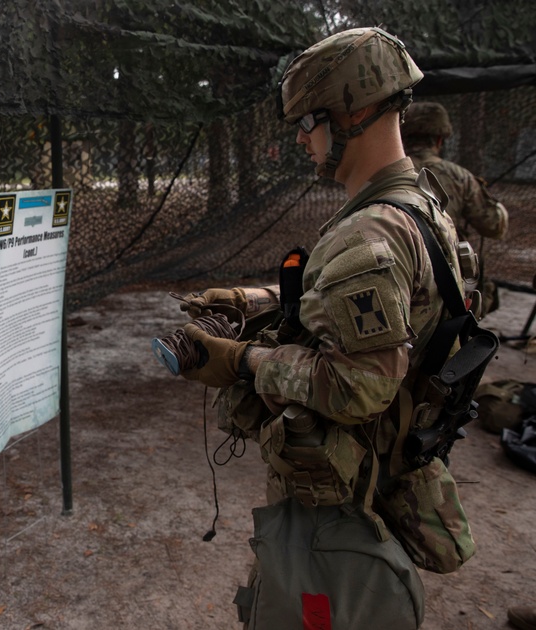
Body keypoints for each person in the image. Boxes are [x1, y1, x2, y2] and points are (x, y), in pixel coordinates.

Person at [156, 27, 478, 629]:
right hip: (385, 472)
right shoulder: (419, 205)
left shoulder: (368, 234)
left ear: (353, 113)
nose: (302, 137)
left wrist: (244, 360)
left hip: (346, 502)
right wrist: (255, 300)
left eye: (308, 121)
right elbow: (377, 313)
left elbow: (360, 386)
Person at [401, 100, 509, 317]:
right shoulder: (459, 177)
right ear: (440, 140)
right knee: (483, 290)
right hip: (447, 281)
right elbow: (495, 226)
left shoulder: (384, 174)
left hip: (399, 272)